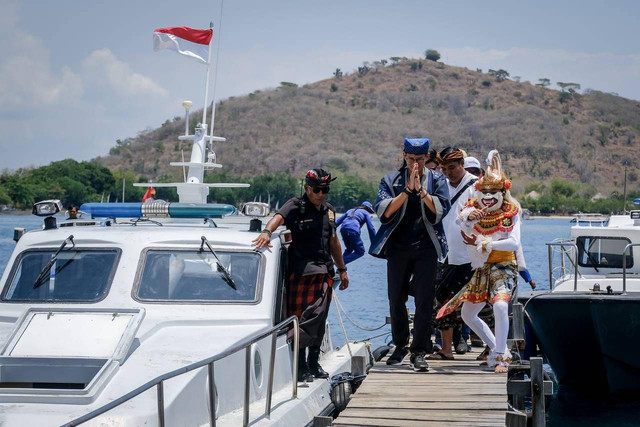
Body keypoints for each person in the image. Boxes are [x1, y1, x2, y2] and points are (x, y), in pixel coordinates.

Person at [252, 168, 349, 382]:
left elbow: (334, 241)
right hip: (301, 273)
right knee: (302, 319)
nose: (321, 194)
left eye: (325, 190)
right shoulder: (296, 205)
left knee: (319, 316)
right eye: (317, 190)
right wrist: (267, 232)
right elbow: (278, 217)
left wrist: (342, 270)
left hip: (324, 272)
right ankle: (301, 365)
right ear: (307, 188)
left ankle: (313, 363)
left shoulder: (329, 211)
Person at [370, 137, 450, 372]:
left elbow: (441, 211)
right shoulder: (390, 180)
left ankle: (419, 350)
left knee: (425, 300)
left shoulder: (438, 180)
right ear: (404, 155)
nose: (416, 164)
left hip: (427, 247)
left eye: (420, 159)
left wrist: (423, 193)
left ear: (427, 158)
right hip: (398, 246)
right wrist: (406, 191)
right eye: (411, 158)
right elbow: (383, 212)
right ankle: (399, 345)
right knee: (396, 298)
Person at [437, 150, 520, 373]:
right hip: (482, 267)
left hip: (503, 267)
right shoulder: (477, 209)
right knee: (467, 314)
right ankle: (497, 349)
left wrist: (486, 244)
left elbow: (513, 243)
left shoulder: (511, 211)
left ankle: (501, 358)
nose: (489, 195)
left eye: (494, 191)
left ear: (503, 192)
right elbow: (461, 223)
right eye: (485, 191)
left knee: (500, 306)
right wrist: (468, 218)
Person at [427, 147, 478, 361]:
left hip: (473, 255)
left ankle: (489, 348)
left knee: (481, 302)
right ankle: (446, 349)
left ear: (462, 165)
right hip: (446, 254)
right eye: (444, 169)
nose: (448, 172)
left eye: (452, 168)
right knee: (442, 301)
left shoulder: (477, 186)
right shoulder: (441, 187)